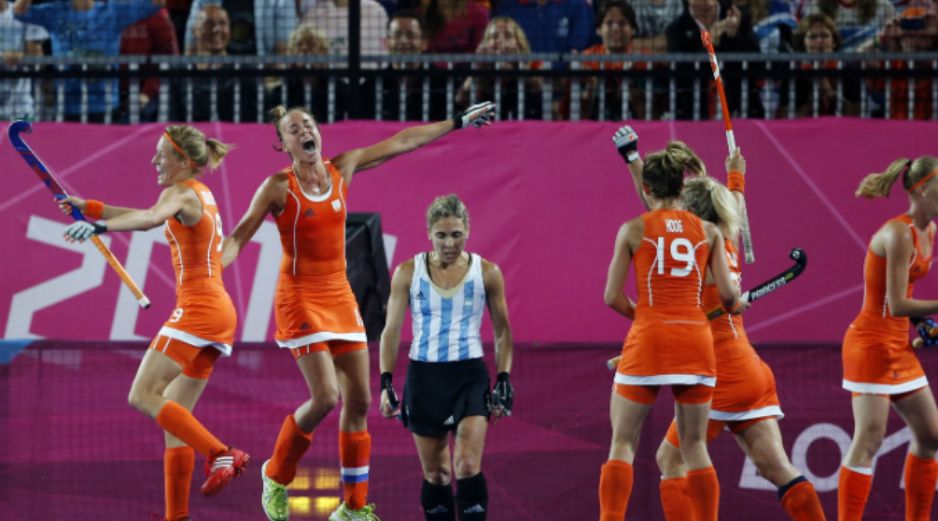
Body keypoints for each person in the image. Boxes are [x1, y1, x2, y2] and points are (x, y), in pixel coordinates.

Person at [220, 101, 497, 521]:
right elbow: (239, 237)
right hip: (299, 296)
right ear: (283, 145)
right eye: (294, 129)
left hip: (339, 294)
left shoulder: (341, 169)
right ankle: (276, 474)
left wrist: (457, 122)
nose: (305, 130)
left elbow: (401, 142)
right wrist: (209, 273)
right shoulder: (277, 186)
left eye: (309, 124)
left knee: (360, 400)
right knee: (327, 396)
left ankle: (352, 508)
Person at [613, 126, 828, 521]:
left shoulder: (692, 246)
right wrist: (736, 176)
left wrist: (633, 161)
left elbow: (654, 213)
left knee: (671, 458)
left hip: (716, 370)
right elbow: (730, 207)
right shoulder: (724, 240)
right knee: (778, 469)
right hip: (750, 370)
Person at [59, 126, 248, 521]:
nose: (154, 161)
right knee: (174, 421)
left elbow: (146, 219)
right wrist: (89, 208)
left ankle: (220, 453)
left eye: (162, 154)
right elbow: (142, 214)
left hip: (198, 309)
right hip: (218, 311)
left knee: (142, 395)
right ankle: (176, 517)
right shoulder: (197, 193)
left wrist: (101, 227)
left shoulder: (177, 193)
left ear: (183, 161)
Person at [599, 135, 740, 521]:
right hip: (695, 342)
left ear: (647, 188)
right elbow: (728, 297)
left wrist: (645, 316)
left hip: (648, 341)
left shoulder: (632, 229)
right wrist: (735, 301)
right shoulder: (709, 232)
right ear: (683, 186)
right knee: (694, 446)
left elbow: (612, 296)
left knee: (623, 444)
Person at [378, 194, 514, 521]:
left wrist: (504, 379)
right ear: (429, 234)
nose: (449, 243)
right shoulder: (407, 272)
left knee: (466, 464)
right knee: (437, 474)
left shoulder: (488, 273)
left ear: (467, 230)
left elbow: (503, 333)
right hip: (424, 379)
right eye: (441, 235)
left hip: (470, 377)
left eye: (456, 234)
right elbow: (391, 332)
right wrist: (385, 382)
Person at [838, 156, 938, 521]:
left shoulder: (930, 231)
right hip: (870, 345)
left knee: (931, 436)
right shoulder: (898, 233)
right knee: (869, 440)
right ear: (923, 189)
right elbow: (895, 304)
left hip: (898, 345)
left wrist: (922, 323)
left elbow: (903, 297)